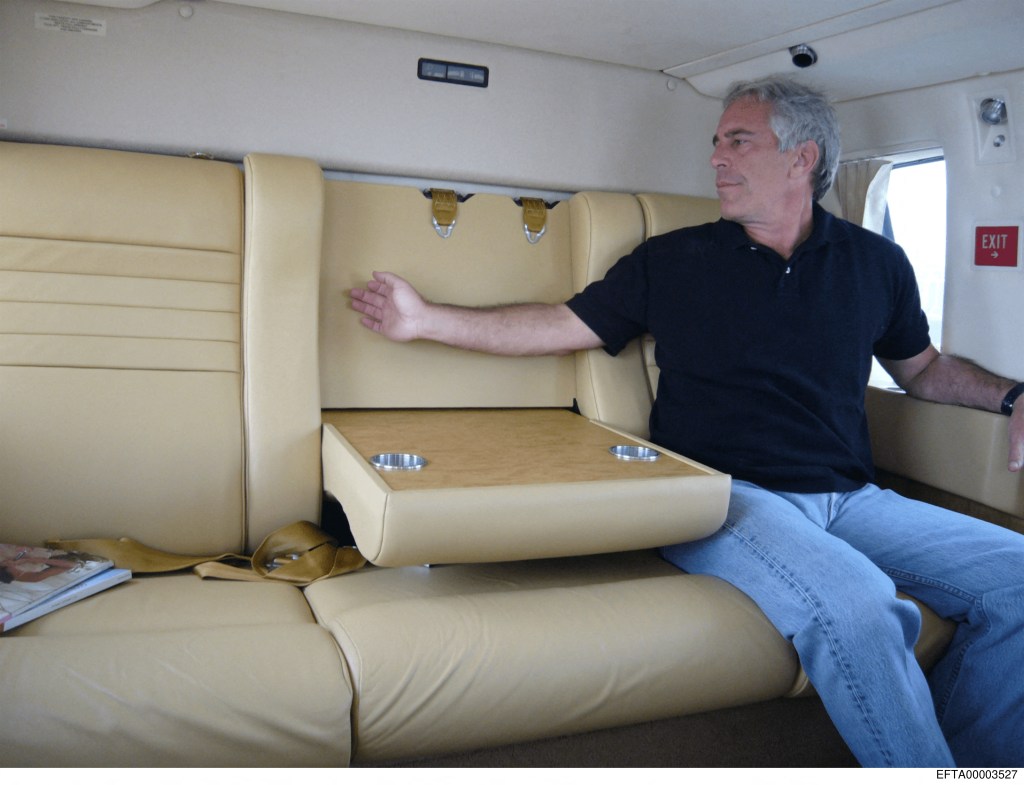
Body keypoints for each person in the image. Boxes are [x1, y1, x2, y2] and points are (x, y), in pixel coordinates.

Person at [349, 76, 1024, 767]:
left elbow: (925, 369)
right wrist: (426, 319)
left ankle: (977, 765)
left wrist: (1014, 396)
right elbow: (560, 323)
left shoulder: (876, 263)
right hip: (724, 498)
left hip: (850, 498)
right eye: (716, 142)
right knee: (858, 605)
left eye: (738, 140)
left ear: (802, 158)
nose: (716, 159)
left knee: (1018, 579)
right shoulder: (675, 260)